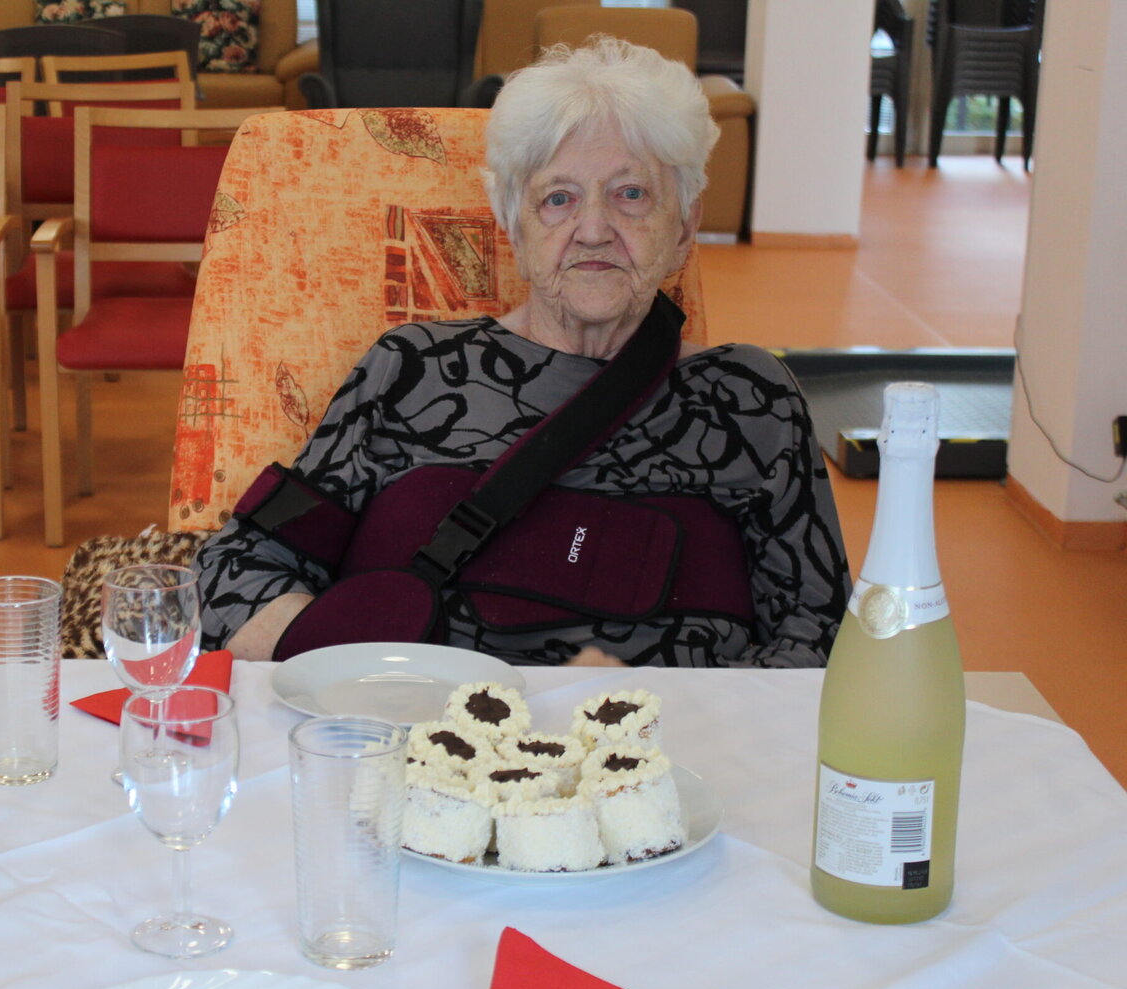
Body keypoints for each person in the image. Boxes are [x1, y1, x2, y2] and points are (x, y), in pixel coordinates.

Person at [194, 37, 849, 667]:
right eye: (558, 198)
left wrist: (650, 709)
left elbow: (816, 639)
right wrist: (369, 675)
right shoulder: (410, 370)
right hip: (415, 729)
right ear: (512, 224)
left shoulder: (749, 396)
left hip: (668, 742)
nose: (593, 229)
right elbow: (237, 568)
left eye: (631, 194)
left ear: (684, 227)